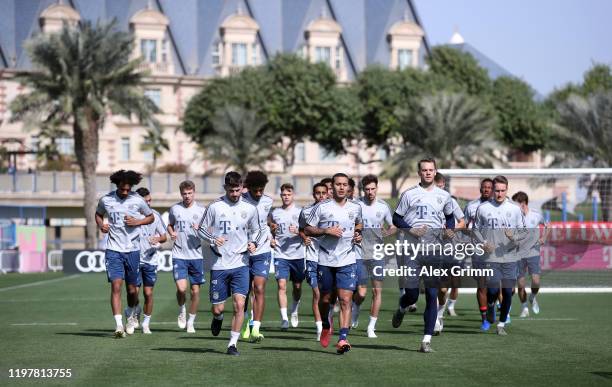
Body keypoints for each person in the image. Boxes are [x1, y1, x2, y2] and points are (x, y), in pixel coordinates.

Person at [391, 158, 455, 353]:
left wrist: (449, 230)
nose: (427, 173)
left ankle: (426, 340)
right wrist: (411, 230)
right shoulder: (409, 194)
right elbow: (396, 218)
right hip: (413, 251)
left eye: (431, 170)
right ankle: (402, 307)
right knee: (411, 295)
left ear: (435, 172)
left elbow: (450, 217)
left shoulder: (444, 196)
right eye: (424, 170)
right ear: (419, 172)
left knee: (432, 294)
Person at [197, 171, 264, 356]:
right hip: (219, 264)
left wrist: (254, 243)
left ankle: (232, 344)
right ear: (225, 188)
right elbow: (201, 230)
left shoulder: (250, 208)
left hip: (241, 263)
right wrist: (213, 238)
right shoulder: (215, 207)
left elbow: (259, 230)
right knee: (218, 307)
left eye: (237, 190)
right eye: (231, 190)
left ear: (242, 188)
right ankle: (217, 317)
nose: (235, 194)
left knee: (239, 304)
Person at [305, 173, 363, 354]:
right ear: (333, 186)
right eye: (338, 184)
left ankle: (343, 338)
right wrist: (325, 230)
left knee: (346, 299)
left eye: (344, 184)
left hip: (347, 259)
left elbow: (359, 224)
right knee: (325, 299)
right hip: (325, 259)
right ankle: (325, 324)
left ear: (348, 187)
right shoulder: (322, 207)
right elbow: (307, 228)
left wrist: (358, 234)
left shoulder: (355, 207)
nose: (341, 187)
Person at [95, 170, 154, 338]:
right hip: (113, 250)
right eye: (122, 189)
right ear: (117, 186)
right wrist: (101, 225)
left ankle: (132, 311)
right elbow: (98, 214)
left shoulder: (138, 200)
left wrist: (138, 221)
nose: (125, 192)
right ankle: (119, 325)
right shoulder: (106, 200)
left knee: (132, 290)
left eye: (128, 189)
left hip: (133, 251)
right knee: (116, 286)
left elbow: (150, 217)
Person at [473, 175, 526, 335]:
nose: (499, 194)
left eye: (503, 190)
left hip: (510, 256)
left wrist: (513, 237)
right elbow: (475, 230)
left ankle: (501, 324)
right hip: (490, 257)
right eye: (497, 190)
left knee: (508, 292)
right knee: (494, 287)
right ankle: (490, 305)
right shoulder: (483, 208)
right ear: (493, 190)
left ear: (507, 190)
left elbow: (524, 232)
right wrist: (483, 243)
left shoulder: (515, 209)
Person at [353, 174, 396, 338]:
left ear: (377, 188)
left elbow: (393, 226)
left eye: (373, 189)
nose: (370, 192)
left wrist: (388, 231)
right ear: (363, 190)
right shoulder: (356, 205)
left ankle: (371, 327)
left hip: (377, 253)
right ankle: (355, 309)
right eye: (367, 189)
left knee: (377, 291)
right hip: (359, 253)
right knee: (361, 293)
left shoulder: (383, 206)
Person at [167, 180, 206, 333]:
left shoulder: (202, 211)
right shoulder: (175, 209)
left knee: (195, 291)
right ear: (181, 194)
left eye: (190, 193)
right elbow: (170, 225)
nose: (187, 196)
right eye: (184, 194)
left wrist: (201, 229)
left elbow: (209, 230)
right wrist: (171, 233)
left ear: (194, 193)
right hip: (179, 255)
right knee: (182, 289)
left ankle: (191, 321)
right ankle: (182, 309)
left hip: (196, 256)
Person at [240, 171, 273, 342]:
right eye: (255, 191)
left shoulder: (268, 201)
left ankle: (256, 328)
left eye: (261, 190)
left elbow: (266, 223)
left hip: (262, 251)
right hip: (243, 252)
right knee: (244, 291)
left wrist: (271, 236)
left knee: (259, 288)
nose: (259, 194)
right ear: (248, 187)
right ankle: (246, 322)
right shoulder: (240, 200)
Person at [433, 173, 466, 334]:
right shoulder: (425, 201)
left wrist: (451, 230)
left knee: (443, 290)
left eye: (441, 186)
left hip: (447, 251)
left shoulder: (451, 201)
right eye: (436, 186)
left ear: (444, 185)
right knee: (432, 286)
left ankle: (439, 315)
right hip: (429, 250)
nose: (439, 189)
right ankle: (433, 320)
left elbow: (462, 222)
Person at [269, 183, 305, 330]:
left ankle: (294, 310)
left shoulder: (300, 212)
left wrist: (298, 231)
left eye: (288, 194)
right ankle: (284, 318)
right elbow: (270, 228)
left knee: (297, 286)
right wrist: (271, 238)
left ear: (293, 195)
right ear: (281, 196)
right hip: (280, 254)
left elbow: (307, 231)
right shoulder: (275, 213)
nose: (286, 197)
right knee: (281, 285)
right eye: (283, 194)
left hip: (297, 254)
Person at [133, 187, 167, 334]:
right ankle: (135, 311)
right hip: (134, 259)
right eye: (145, 202)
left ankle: (146, 323)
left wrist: (158, 239)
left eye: (150, 201)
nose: (149, 204)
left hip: (150, 260)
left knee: (148, 293)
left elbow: (164, 237)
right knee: (133, 292)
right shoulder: (130, 215)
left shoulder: (156, 215)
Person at [298, 182, 329, 340]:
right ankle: (320, 328)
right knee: (317, 293)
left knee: (327, 295)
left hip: (329, 259)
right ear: (313, 194)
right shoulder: (306, 211)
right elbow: (301, 229)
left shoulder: (333, 210)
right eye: (318, 193)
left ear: (328, 193)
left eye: (324, 192)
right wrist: (304, 238)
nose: (321, 196)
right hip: (311, 258)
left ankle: (326, 321)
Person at [512, 191, 549, 317]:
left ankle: (533, 297)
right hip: (518, 254)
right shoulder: (514, 216)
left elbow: (547, 226)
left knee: (536, 281)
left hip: (533, 252)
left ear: (522, 203)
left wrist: (543, 237)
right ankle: (524, 308)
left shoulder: (536, 215)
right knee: (521, 284)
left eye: (515, 203)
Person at [463, 178, 494, 331]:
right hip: (478, 251)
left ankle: (492, 305)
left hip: (496, 251)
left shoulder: (500, 207)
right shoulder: (471, 206)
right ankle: (484, 319)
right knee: (482, 285)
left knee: (496, 285)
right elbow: (464, 226)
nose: (487, 189)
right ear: (480, 189)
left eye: (489, 187)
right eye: (484, 187)